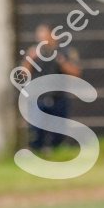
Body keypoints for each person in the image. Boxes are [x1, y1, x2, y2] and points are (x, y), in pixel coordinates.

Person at [22, 24, 82, 152]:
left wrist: (61, 61)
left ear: (52, 35)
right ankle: (37, 154)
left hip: (59, 97)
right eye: (39, 36)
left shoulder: (65, 52)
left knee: (58, 133)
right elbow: (23, 75)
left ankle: (57, 154)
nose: (40, 39)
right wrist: (29, 60)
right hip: (38, 98)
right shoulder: (34, 52)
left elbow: (76, 72)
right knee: (36, 132)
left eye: (43, 35)